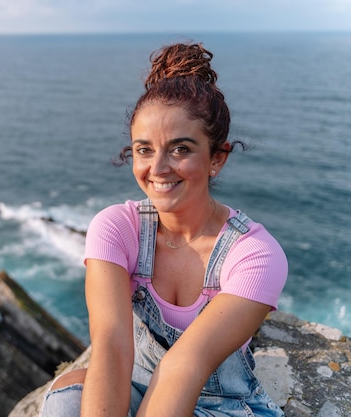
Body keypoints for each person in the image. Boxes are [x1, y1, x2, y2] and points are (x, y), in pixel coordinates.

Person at [39, 42, 288, 417]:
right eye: (144, 150)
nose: (157, 168)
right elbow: (111, 345)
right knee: (67, 398)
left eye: (180, 149)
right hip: (138, 387)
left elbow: (183, 366)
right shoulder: (116, 227)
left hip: (222, 408)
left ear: (216, 158)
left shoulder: (255, 254)